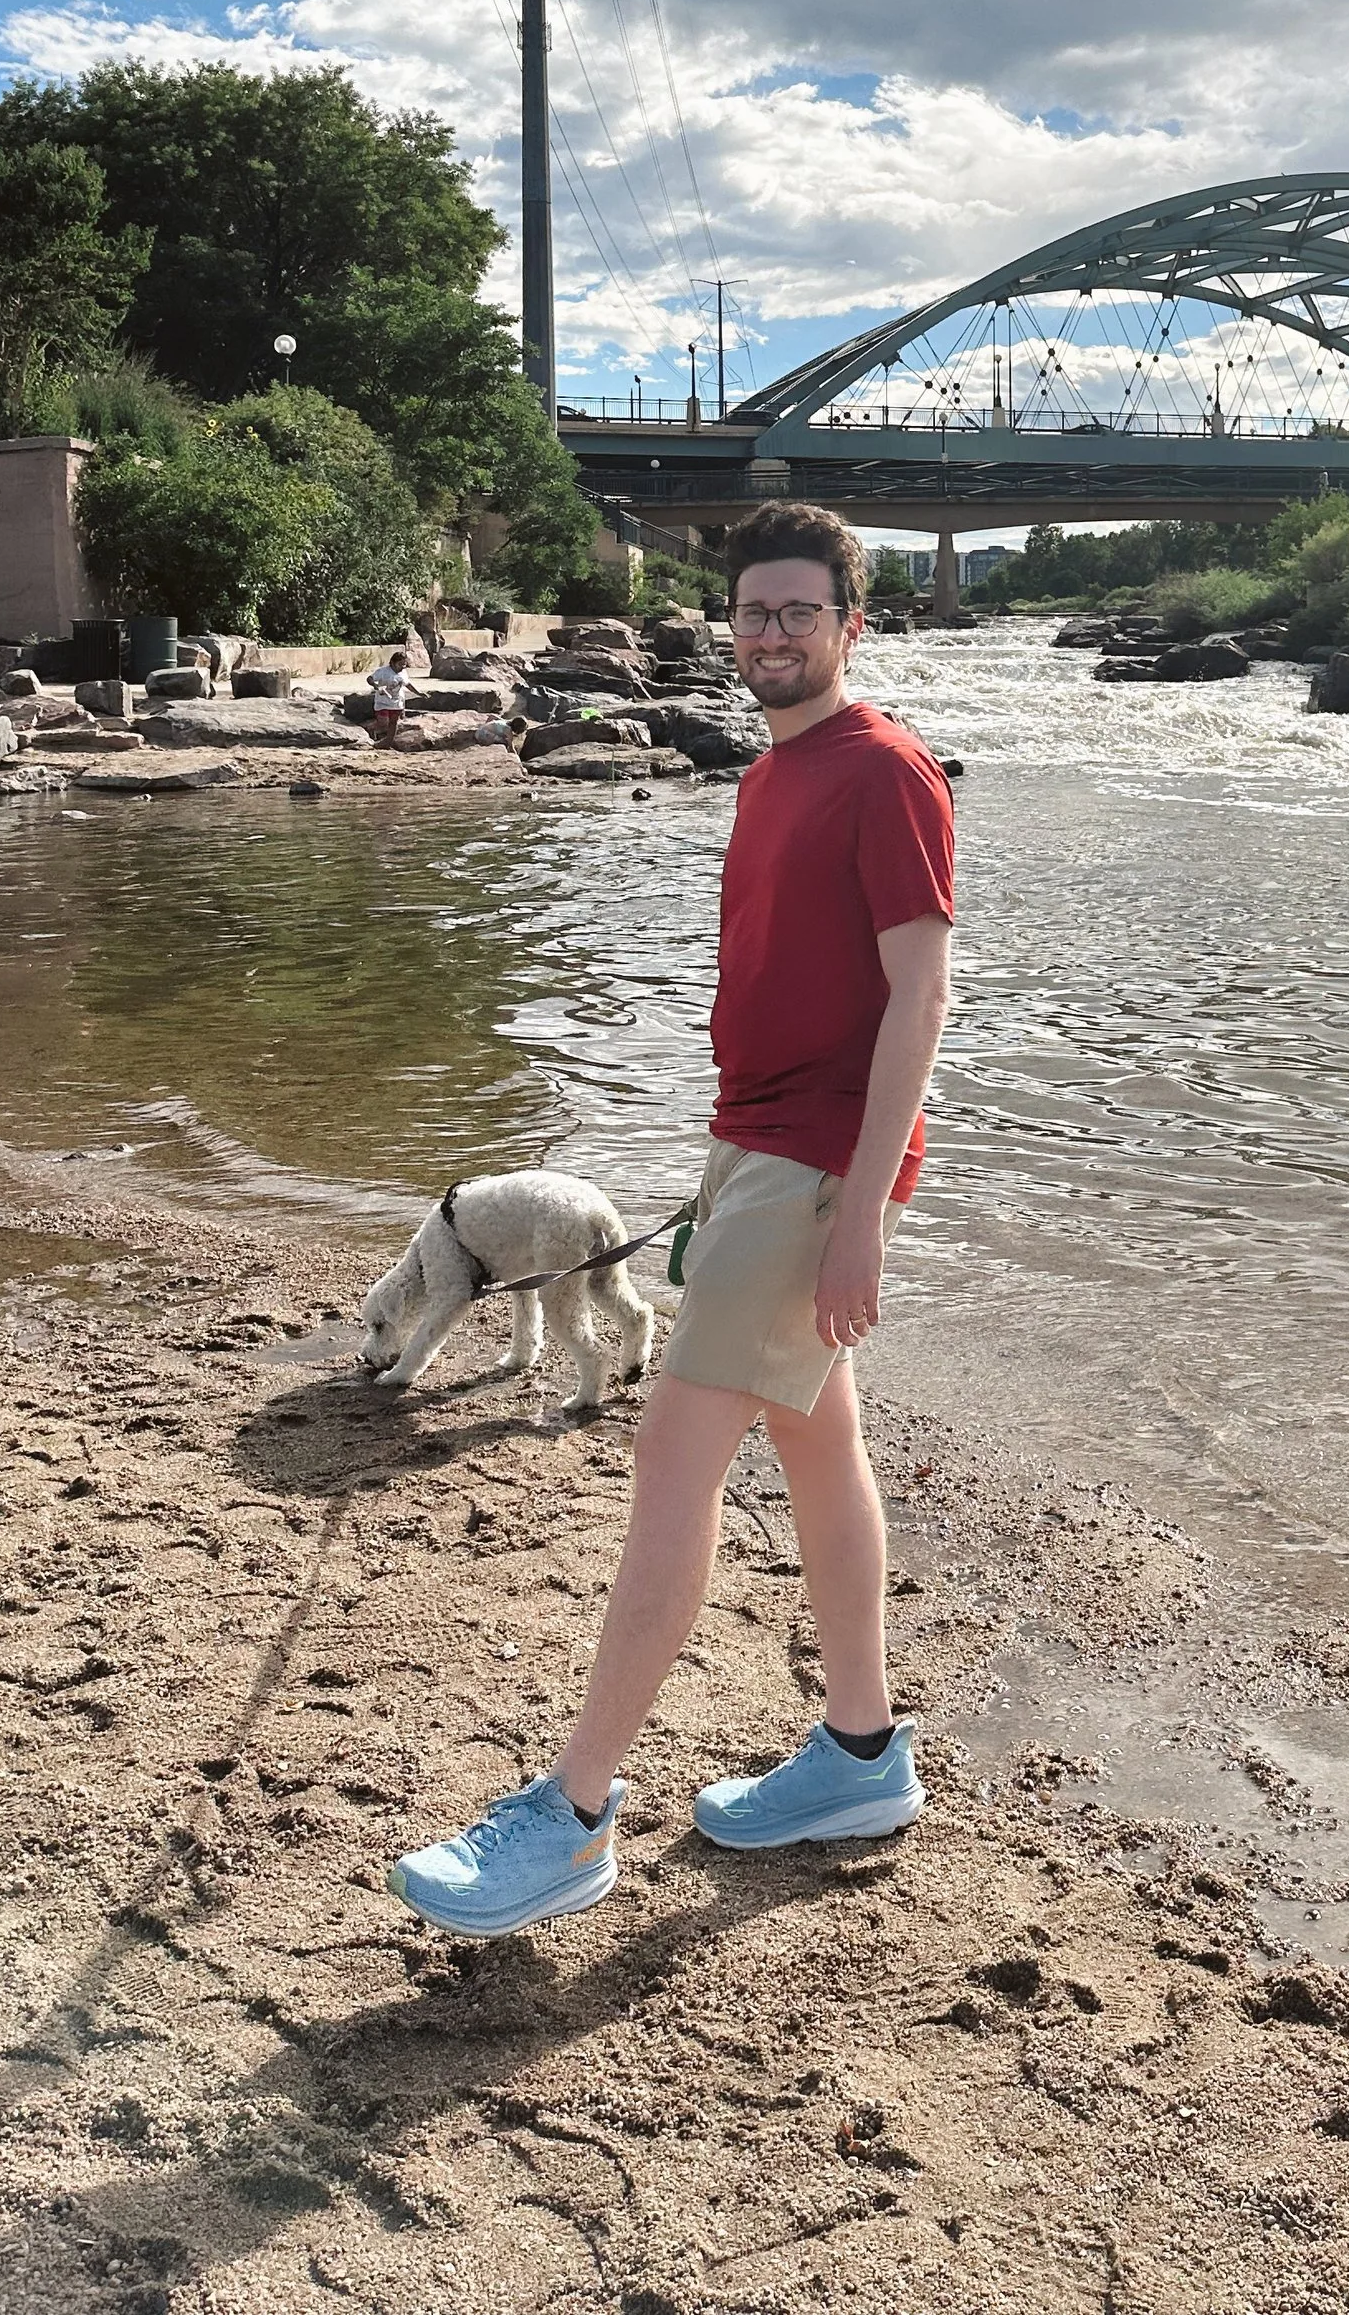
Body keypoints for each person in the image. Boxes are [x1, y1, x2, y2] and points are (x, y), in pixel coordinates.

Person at [387, 504, 955, 1936]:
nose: (774, 633)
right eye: (755, 611)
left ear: (851, 626)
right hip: (757, 1152)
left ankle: (572, 1817)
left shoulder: (883, 770)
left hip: (813, 1166)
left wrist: (861, 1211)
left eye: (801, 612)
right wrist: (733, 1170)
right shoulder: (773, 774)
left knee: (669, 1463)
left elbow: (921, 998)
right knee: (818, 1447)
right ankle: (861, 1754)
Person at [367, 647, 414, 746]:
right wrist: (376, 686)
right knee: (383, 722)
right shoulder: (383, 671)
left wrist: (419, 693)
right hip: (383, 701)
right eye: (400, 664)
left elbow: (408, 684)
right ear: (392, 663)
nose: (402, 667)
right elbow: (370, 678)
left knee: (394, 722)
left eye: (404, 664)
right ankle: (371, 728)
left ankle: (388, 742)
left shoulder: (403, 673)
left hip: (397, 702)